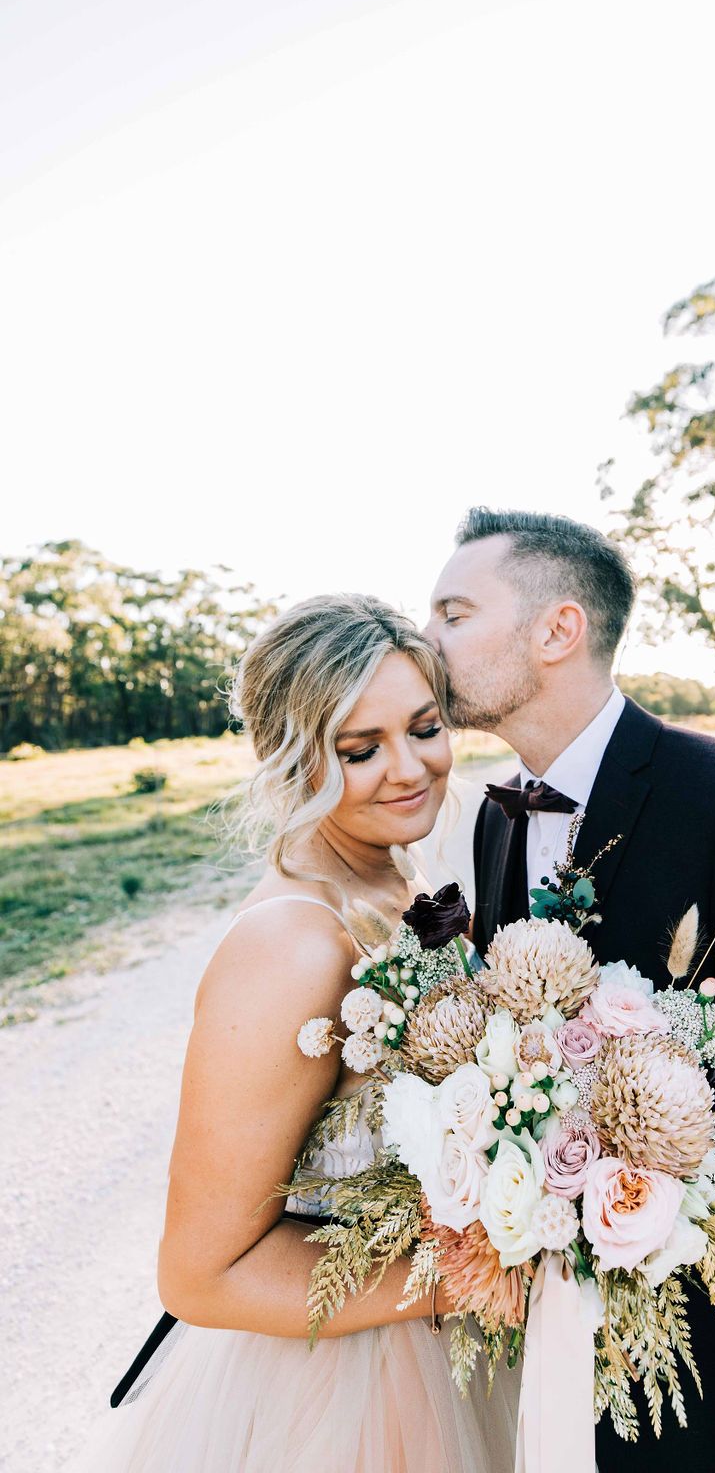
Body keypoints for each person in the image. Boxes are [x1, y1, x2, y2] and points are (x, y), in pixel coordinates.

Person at [425, 507, 715, 1473]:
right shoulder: (495, 819)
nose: (424, 638)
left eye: (454, 613)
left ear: (558, 630)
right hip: (567, 1383)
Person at [78, 594, 520, 1473]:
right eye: (360, 751)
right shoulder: (291, 944)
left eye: (424, 728)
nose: (409, 769)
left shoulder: (398, 874)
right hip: (343, 1392)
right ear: (291, 757)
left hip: (458, 1346)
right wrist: (473, 1274)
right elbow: (201, 1275)